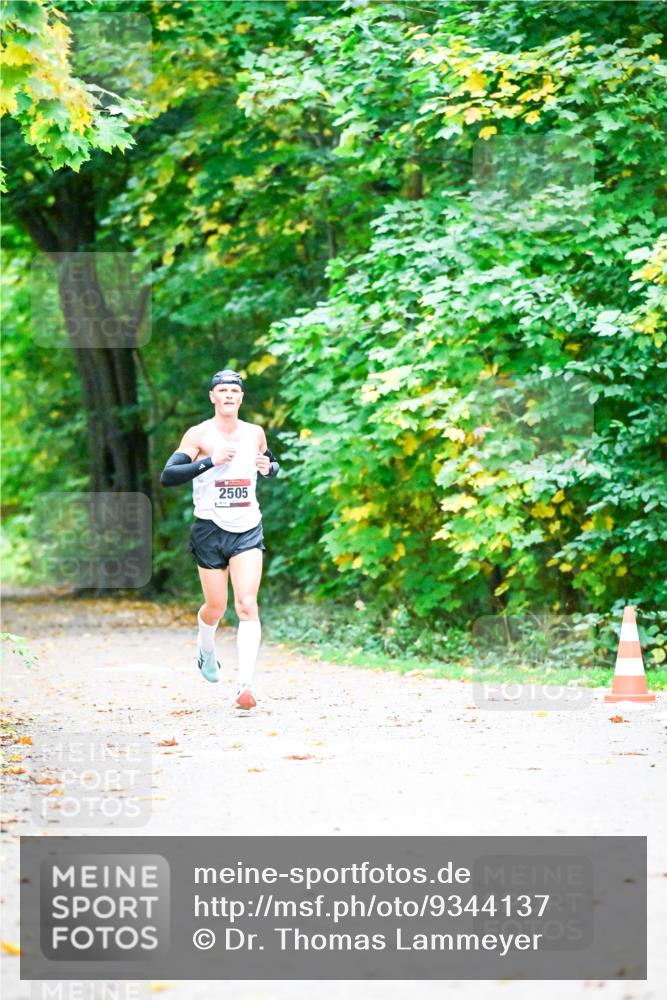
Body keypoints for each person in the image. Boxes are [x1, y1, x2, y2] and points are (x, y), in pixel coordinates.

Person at [160, 369, 279, 710]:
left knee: (246, 604)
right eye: (222, 390)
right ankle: (206, 649)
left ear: (241, 398)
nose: (228, 396)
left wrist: (269, 469)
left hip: (246, 527)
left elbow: (271, 464)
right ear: (212, 396)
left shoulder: (255, 433)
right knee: (216, 607)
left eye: (234, 391)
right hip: (210, 528)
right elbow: (169, 476)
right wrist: (210, 462)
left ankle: (246, 685)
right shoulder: (199, 434)